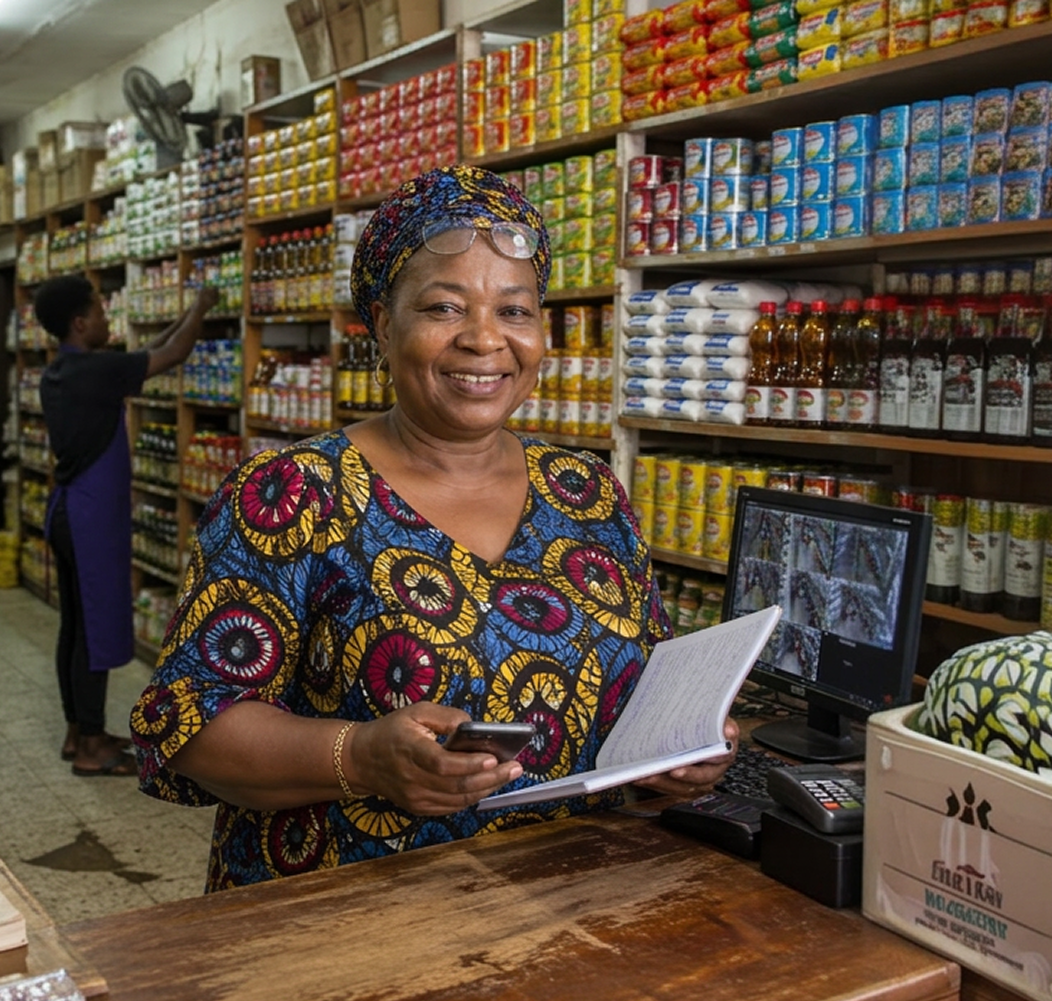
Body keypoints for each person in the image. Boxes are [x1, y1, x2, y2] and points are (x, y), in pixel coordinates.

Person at [130, 166, 740, 891]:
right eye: (444, 308)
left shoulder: (586, 492)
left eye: (514, 312)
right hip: (350, 919)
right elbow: (189, 725)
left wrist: (685, 746)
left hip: (580, 901)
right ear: (384, 326)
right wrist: (358, 757)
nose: (484, 342)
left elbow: (644, 688)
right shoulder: (290, 492)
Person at [35, 275, 219, 777]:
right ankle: (93, 746)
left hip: (68, 511)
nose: (105, 318)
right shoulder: (96, 372)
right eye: (98, 311)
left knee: (74, 626)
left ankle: (79, 730)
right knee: (94, 629)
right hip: (91, 516)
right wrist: (201, 306)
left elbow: (148, 351)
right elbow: (173, 354)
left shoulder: (65, 370)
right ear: (79, 322)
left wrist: (182, 316)